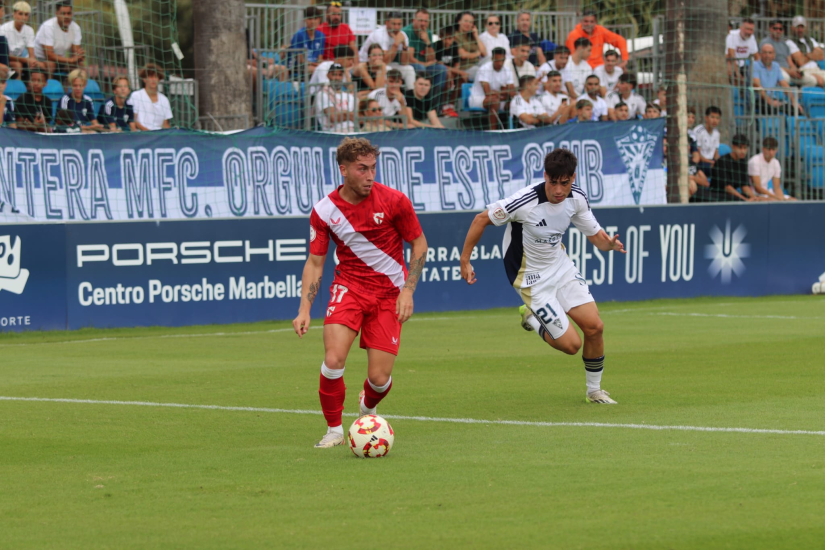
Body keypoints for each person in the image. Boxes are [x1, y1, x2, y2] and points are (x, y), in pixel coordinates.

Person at [460, 148, 625, 404]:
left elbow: (597, 237)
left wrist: (610, 245)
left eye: (565, 183)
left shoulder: (577, 199)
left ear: (573, 178)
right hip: (530, 278)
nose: (559, 190)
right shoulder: (523, 201)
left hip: (561, 268)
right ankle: (531, 317)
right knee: (571, 346)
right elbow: (481, 219)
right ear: (545, 176)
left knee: (595, 327)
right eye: (553, 183)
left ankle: (594, 391)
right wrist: (465, 259)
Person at [293, 137, 427, 448]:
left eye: (373, 169)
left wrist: (407, 291)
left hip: (388, 294)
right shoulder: (325, 210)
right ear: (344, 170)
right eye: (362, 169)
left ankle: (367, 410)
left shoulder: (394, 201)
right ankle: (334, 431)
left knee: (379, 380)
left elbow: (419, 244)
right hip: (349, 288)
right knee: (333, 358)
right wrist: (304, 309)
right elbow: (315, 263)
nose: (370, 176)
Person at [403, 8, 448, 112]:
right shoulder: (407, 32)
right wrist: (426, 63)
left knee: (442, 69)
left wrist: (427, 42)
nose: (423, 24)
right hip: (410, 65)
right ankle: (418, 105)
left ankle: (435, 107)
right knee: (421, 68)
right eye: (420, 20)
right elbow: (410, 59)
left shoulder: (427, 33)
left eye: (425, 21)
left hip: (424, 65)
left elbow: (431, 58)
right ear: (414, 20)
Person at [358, 12, 415, 90]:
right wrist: (396, 44)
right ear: (386, 23)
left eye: (399, 24)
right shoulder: (379, 34)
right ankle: (386, 96)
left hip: (384, 64)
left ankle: (411, 96)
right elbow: (384, 61)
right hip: (368, 65)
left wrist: (404, 46)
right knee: (387, 69)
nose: (396, 27)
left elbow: (404, 62)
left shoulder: (403, 35)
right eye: (394, 24)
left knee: (409, 69)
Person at [695, 134, 761, 202]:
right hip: (718, 195)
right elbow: (727, 188)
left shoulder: (743, 162)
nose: (743, 151)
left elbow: (744, 185)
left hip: (732, 195)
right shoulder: (722, 161)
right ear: (733, 147)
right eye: (740, 148)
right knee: (738, 199)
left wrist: (754, 198)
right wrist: (745, 200)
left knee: (757, 199)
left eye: (745, 148)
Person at [34, 1, 85, 77]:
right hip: (40, 59)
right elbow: (49, 55)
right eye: (63, 13)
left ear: (72, 14)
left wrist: (79, 56)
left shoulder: (76, 28)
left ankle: (75, 88)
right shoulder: (48, 26)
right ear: (57, 14)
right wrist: (71, 60)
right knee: (51, 64)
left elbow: (75, 52)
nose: (66, 16)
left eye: (69, 13)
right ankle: (50, 87)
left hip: (61, 60)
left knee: (80, 66)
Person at [468, 47, 515, 129]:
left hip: (497, 98)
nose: (500, 63)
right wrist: (503, 92)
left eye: (502, 60)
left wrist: (501, 93)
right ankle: (493, 131)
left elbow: (512, 92)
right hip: (478, 98)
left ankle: (513, 129)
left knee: (513, 102)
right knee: (494, 101)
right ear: (492, 58)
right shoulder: (484, 69)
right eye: (497, 60)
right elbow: (488, 93)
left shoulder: (507, 70)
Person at [753, 43, 802, 115]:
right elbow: (757, 86)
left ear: (774, 55)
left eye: (770, 53)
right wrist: (770, 101)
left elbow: (785, 85)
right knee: (772, 110)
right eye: (765, 53)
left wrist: (794, 102)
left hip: (772, 99)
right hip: (759, 100)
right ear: (760, 54)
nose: (767, 55)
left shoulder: (776, 66)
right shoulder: (755, 65)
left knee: (796, 110)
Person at [1, 2, 42, 78]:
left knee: (42, 66)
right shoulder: (4, 29)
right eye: (20, 14)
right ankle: (19, 88)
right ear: (14, 14)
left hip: (22, 59)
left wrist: (32, 61)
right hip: (5, 60)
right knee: (17, 65)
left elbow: (31, 53)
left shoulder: (29, 30)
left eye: (26, 14)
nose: (23, 17)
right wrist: (27, 60)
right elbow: (5, 56)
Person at [759, 20, 804, 86]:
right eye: (775, 28)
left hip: (788, 72)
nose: (778, 31)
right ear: (770, 29)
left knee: (811, 80)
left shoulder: (784, 44)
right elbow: (768, 63)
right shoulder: (765, 43)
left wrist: (795, 71)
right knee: (786, 78)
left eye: (780, 29)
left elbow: (790, 63)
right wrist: (788, 71)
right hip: (774, 70)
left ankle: (799, 95)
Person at [314, 62, 356, 133]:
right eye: (334, 74)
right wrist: (348, 114)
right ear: (328, 76)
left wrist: (344, 114)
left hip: (352, 131)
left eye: (340, 75)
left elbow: (357, 117)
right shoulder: (322, 94)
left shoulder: (349, 96)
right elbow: (334, 118)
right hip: (332, 133)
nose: (337, 78)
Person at [748, 137, 795, 201]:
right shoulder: (755, 161)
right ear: (763, 149)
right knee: (774, 200)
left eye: (773, 149)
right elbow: (757, 188)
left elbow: (777, 188)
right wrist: (774, 197)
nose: (771, 152)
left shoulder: (776, 163)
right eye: (769, 149)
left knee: (793, 200)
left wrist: (781, 198)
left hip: (768, 194)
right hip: (754, 195)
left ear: (777, 150)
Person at [130, 63, 173, 131]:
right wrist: (148, 132)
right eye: (150, 76)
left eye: (156, 76)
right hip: (141, 135)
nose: (153, 79)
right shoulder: (136, 96)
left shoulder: (164, 99)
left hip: (158, 137)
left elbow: (165, 124)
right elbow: (133, 119)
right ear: (144, 79)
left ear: (159, 79)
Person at [786, 16, 825, 88]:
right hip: (804, 70)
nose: (800, 30)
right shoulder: (790, 42)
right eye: (798, 27)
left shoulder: (810, 40)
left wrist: (806, 55)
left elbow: (821, 56)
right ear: (792, 28)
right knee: (820, 80)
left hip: (817, 68)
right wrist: (813, 54)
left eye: (802, 27)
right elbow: (800, 61)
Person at [434, 25, 464, 115]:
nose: (448, 41)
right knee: (447, 76)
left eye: (450, 39)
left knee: (462, 78)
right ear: (441, 37)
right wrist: (454, 72)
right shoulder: (437, 46)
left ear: (454, 38)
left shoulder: (455, 46)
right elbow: (439, 64)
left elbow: (457, 64)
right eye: (445, 39)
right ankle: (444, 105)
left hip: (452, 71)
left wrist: (456, 72)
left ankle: (451, 104)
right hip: (442, 71)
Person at [289, 6, 326, 76]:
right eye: (310, 19)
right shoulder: (299, 35)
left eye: (315, 18)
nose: (312, 21)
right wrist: (316, 65)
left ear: (319, 20)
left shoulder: (321, 36)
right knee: (319, 71)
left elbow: (320, 58)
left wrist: (320, 65)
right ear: (305, 20)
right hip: (298, 68)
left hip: (314, 67)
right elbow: (300, 60)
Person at [454, 11, 487, 81]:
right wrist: (477, 53)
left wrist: (476, 36)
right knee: (481, 72)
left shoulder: (472, 36)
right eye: (466, 21)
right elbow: (463, 55)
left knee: (492, 59)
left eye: (471, 22)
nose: (468, 24)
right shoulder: (455, 36)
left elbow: (484, 53)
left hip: (478, 64)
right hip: (465, 67)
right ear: (459, 21)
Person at [726, 18, 758, 84]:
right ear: (740, 28)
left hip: (744, 66)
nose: (749, 32)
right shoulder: (732, 36)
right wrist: (738, 74)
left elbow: (756, 56)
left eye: (751, 30)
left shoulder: (752, 37)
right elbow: (731, 56)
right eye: (747, 29)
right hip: (732, 64)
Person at [693, 106, 721, 177]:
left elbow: (716, 153)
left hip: (711, 162)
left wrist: (718, 162)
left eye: (717, 118)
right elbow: (697, 154)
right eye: (712, 117)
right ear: (706, 118)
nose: (715, 120)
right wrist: (710, 162)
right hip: (701, 162)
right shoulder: (699, 131)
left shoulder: (717, 133)